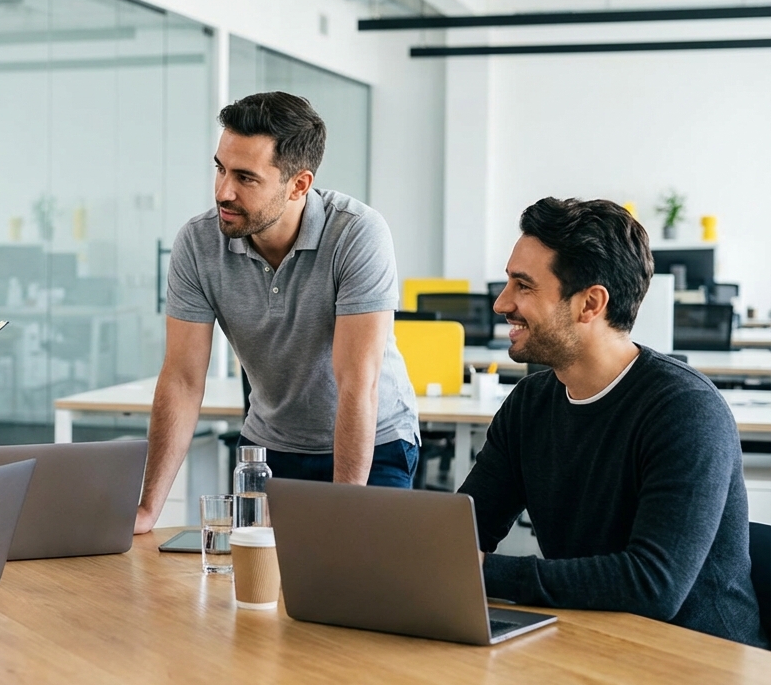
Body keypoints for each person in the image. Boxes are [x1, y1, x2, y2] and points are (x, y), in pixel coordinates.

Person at [460, 197, 767, 647]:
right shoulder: (530, 403)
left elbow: (651, 585)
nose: (502, 302)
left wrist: (487, 572)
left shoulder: (684, 410)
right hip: (591, 637)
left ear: (590, 303)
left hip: (700, 664)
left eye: (523, 286)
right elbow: (465, 528)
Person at [135, 91, 419, 534]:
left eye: (246, 178)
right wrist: (147, 509)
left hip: (374, 441)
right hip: (269, 447)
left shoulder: (357, 234)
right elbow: (182, 380)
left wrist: (344, 516)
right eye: (220, 168)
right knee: (254, 586)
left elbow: (356, 385)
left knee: (352, 580)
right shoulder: (197, 244)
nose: (223, 191)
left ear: (298, 185)